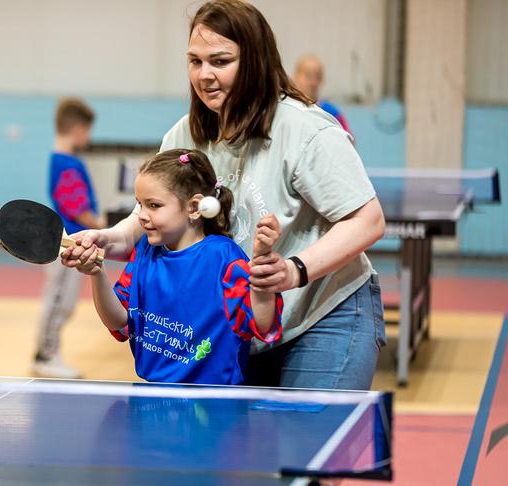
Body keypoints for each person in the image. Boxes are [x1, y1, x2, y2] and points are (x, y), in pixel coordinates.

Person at [64, 0, 386, 390]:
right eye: (195, 62)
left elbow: (367, 220)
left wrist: (293, 270)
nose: (205, 75)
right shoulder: (184, 135)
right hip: (249, 320)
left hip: (325, 311)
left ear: (255, 62)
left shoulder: (305, 130)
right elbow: (148, 216)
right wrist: (107, 239)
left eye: (220, 61)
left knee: (313, 441)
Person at [72, 148, 282, 385]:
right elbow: (118, 322)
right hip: (154, 400)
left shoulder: (224, 258)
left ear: (193, 207)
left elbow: (263, 325)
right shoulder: (144, 252)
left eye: (154, 205)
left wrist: (263, 265)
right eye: (140, 204)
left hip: (217, 406)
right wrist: (96, 273)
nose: (141, 215)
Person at [31, 98, 104, 379]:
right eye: (87, 130)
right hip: (66, 245)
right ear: (76, 129)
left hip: (69, 242)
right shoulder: (67, 164)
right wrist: (99, 224)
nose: (88, 136)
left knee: (63, 301)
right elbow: (78, 208)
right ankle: (45, 355)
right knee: (59, 300)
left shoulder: (62, 161)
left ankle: (48, 352)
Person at [291, 54, 352, 136]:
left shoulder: (332, 113)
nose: (313, 82)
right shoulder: (288, 110)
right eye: (308, 76)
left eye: (318, 76)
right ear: (295, 76)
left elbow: (348, 141)